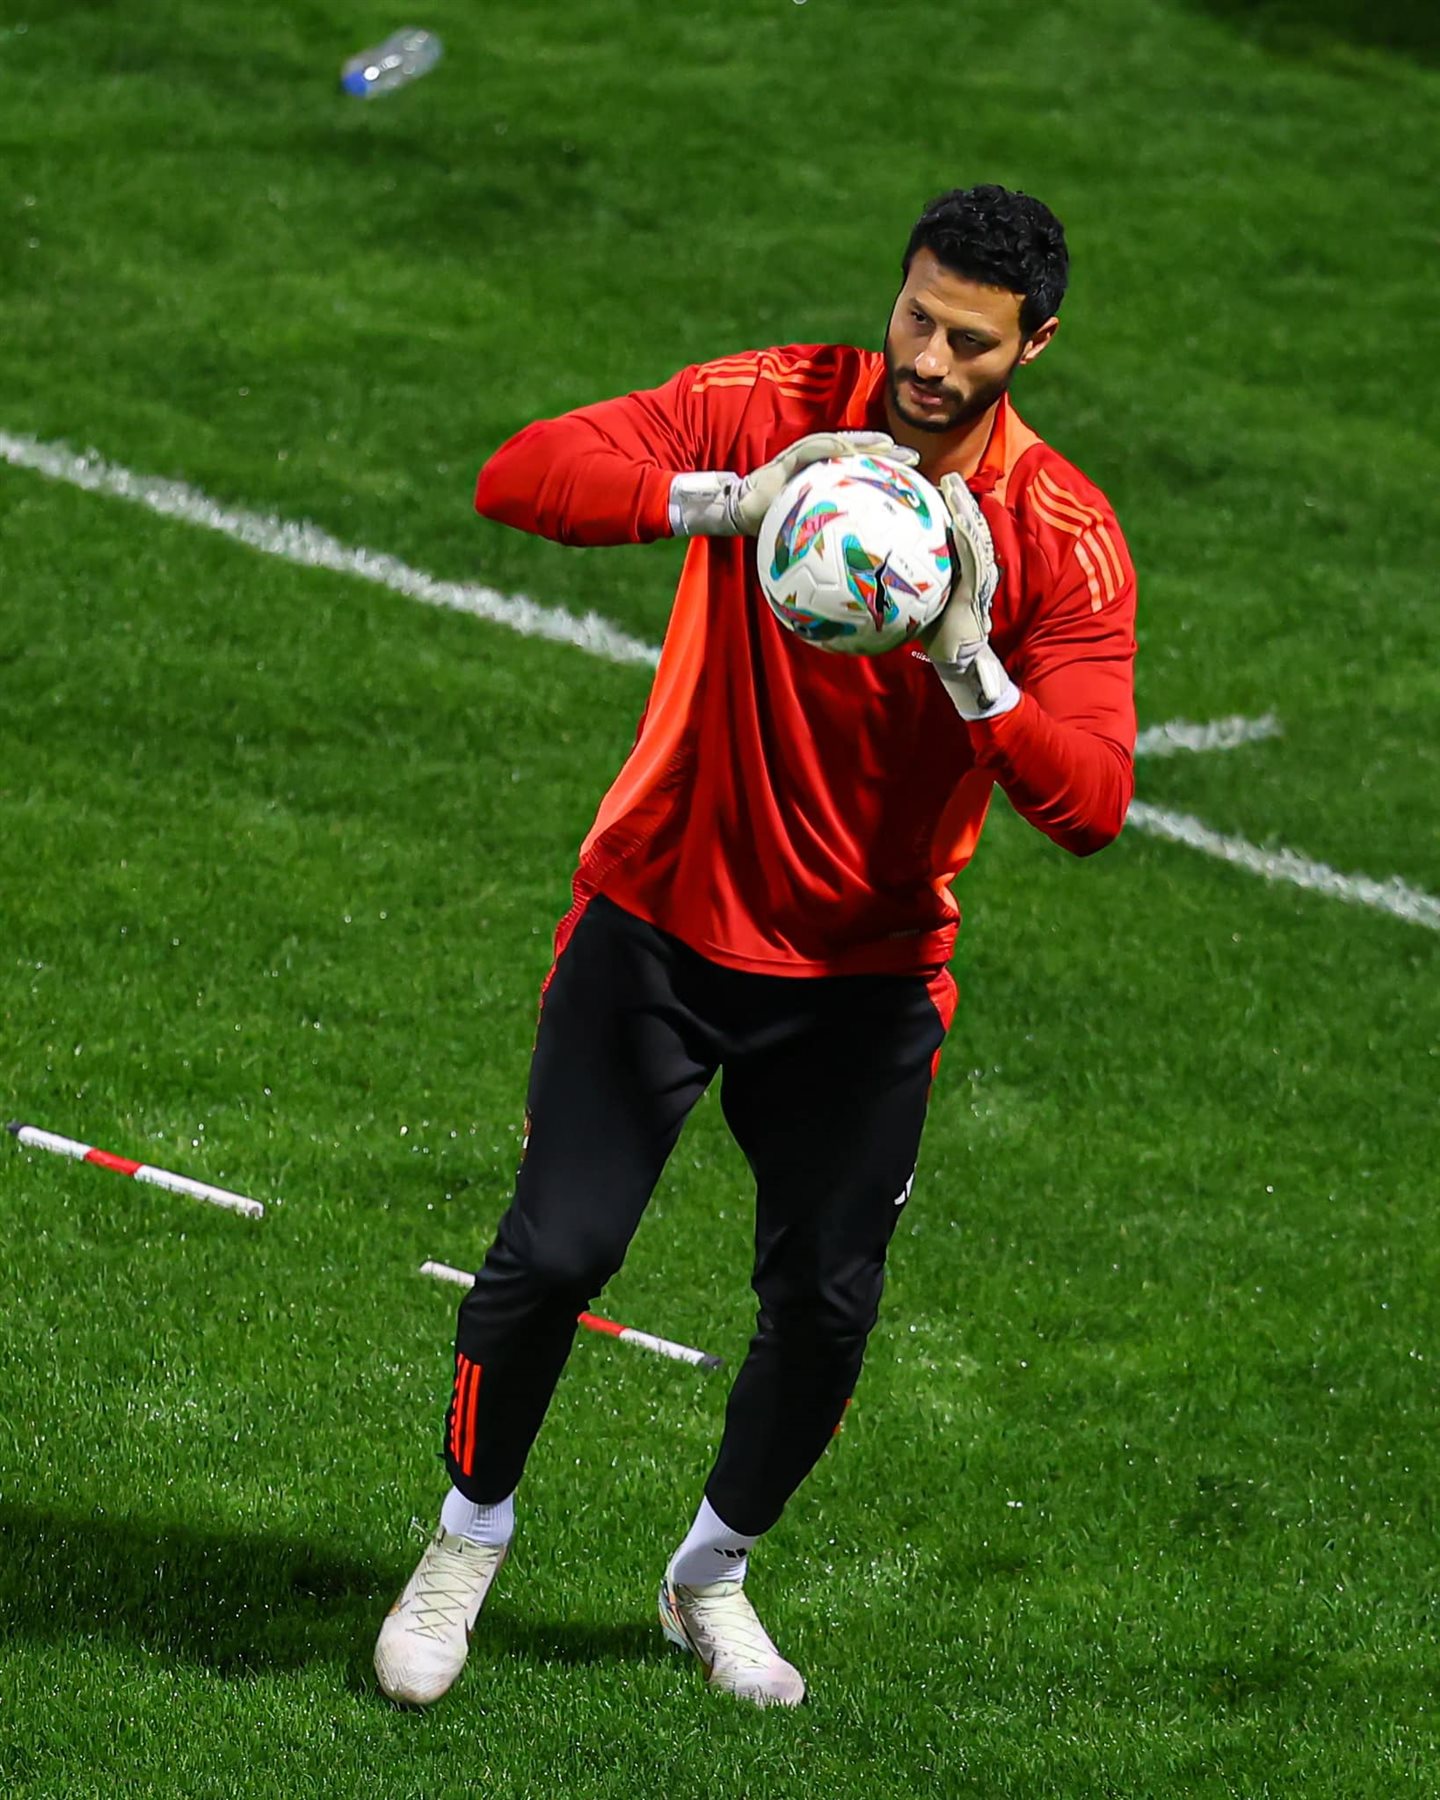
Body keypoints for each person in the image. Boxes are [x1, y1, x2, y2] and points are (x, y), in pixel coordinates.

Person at [374, 183, 1137, 1709]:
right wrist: (728, 500)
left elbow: (1094, 801)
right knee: (553, 1256)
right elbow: (521, 475)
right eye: (916, 317)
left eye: (971, 343)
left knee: (826, 1310)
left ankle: (708, 1577)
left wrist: (972, 663)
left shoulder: (1060, 533)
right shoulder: (773, 403)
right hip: (657, 922)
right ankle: (466, 1541)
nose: (928, 361)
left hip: (865, 984)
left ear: (1034, 347)